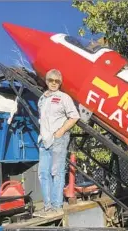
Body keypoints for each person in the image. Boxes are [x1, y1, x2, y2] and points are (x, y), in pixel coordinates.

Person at [36, 69, 80, 214]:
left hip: (58, 140)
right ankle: (47, 205)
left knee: (57, 172)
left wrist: (60, 131)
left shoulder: (64, 98)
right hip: (44, 140)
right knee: (43, 173)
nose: (53, 83)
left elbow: (74, 116)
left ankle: (57, 206)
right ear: (46, 81)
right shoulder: (42, 99)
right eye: (51, 80)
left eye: (57, 81)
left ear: (60, 83)